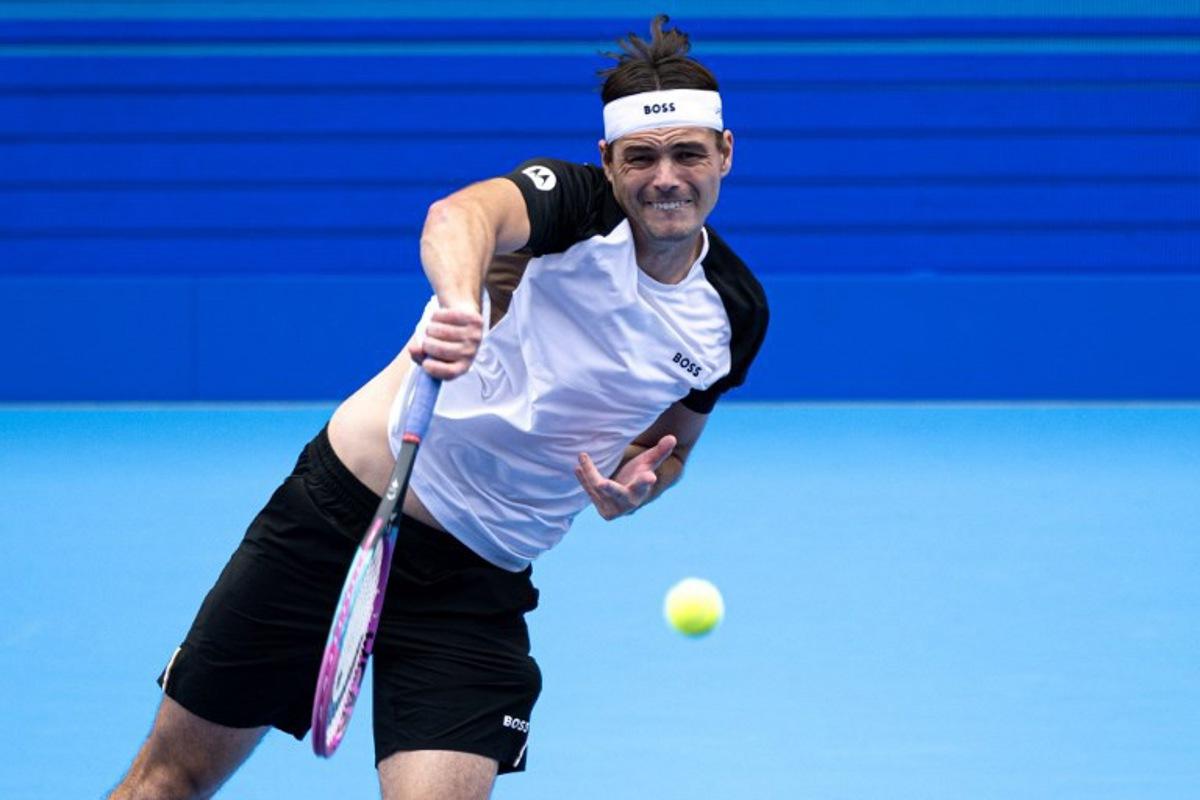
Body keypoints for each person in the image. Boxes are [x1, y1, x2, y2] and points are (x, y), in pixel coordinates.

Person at [110, 14, 767, 800]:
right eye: (642, 157)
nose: (666, 177)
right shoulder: (571, 207)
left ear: (725, 153)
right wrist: (461, 303)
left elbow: (674, 446)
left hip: (478, 578)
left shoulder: (734, 314)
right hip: (337, 516)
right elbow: (461, 216)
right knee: (168, 781)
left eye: (689, 153)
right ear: (608, 162)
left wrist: (639, 489)